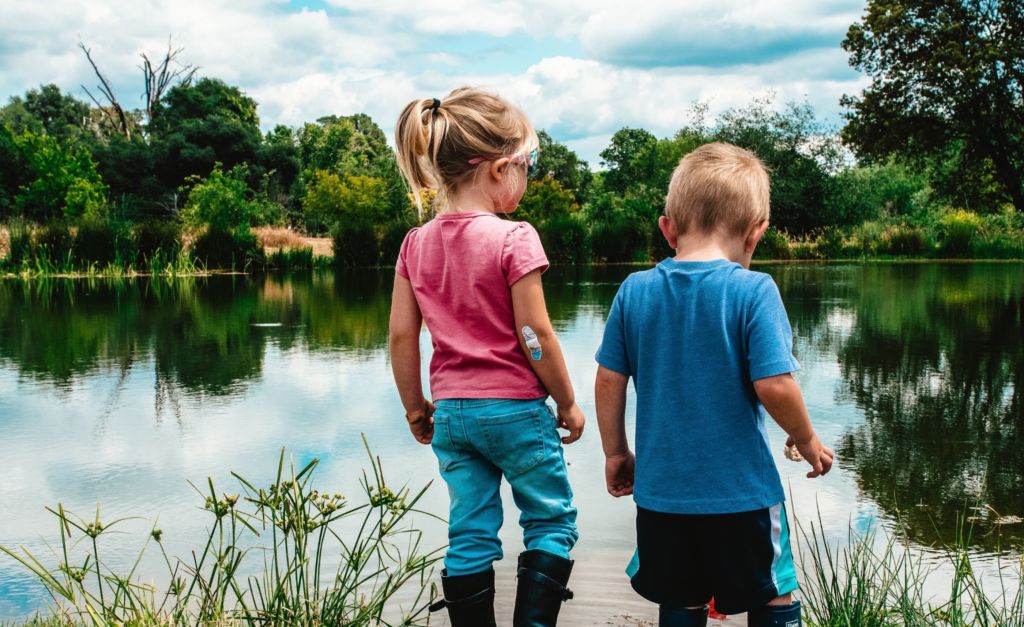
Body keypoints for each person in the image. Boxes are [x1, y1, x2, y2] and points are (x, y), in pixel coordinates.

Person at [594, 142, 834, 627]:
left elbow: (608, 380)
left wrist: (616, 454)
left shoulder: (633, 292)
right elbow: (775, 386)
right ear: (756, 232)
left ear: (668, 228)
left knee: (680, 601)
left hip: (662, 498)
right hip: (741, 497)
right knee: (775, 594)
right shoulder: (754, 290)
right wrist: (807, 439)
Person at [388, 86, 585, 627]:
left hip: (452, 414)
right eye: (530, 164)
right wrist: (567, 401)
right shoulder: (514, 239)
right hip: (517, 411)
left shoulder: (415, 243)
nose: (529, 176)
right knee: (550, 521)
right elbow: (535, 332)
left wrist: (415, 407)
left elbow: (403, 337)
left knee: (470, 530)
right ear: (499, 169)